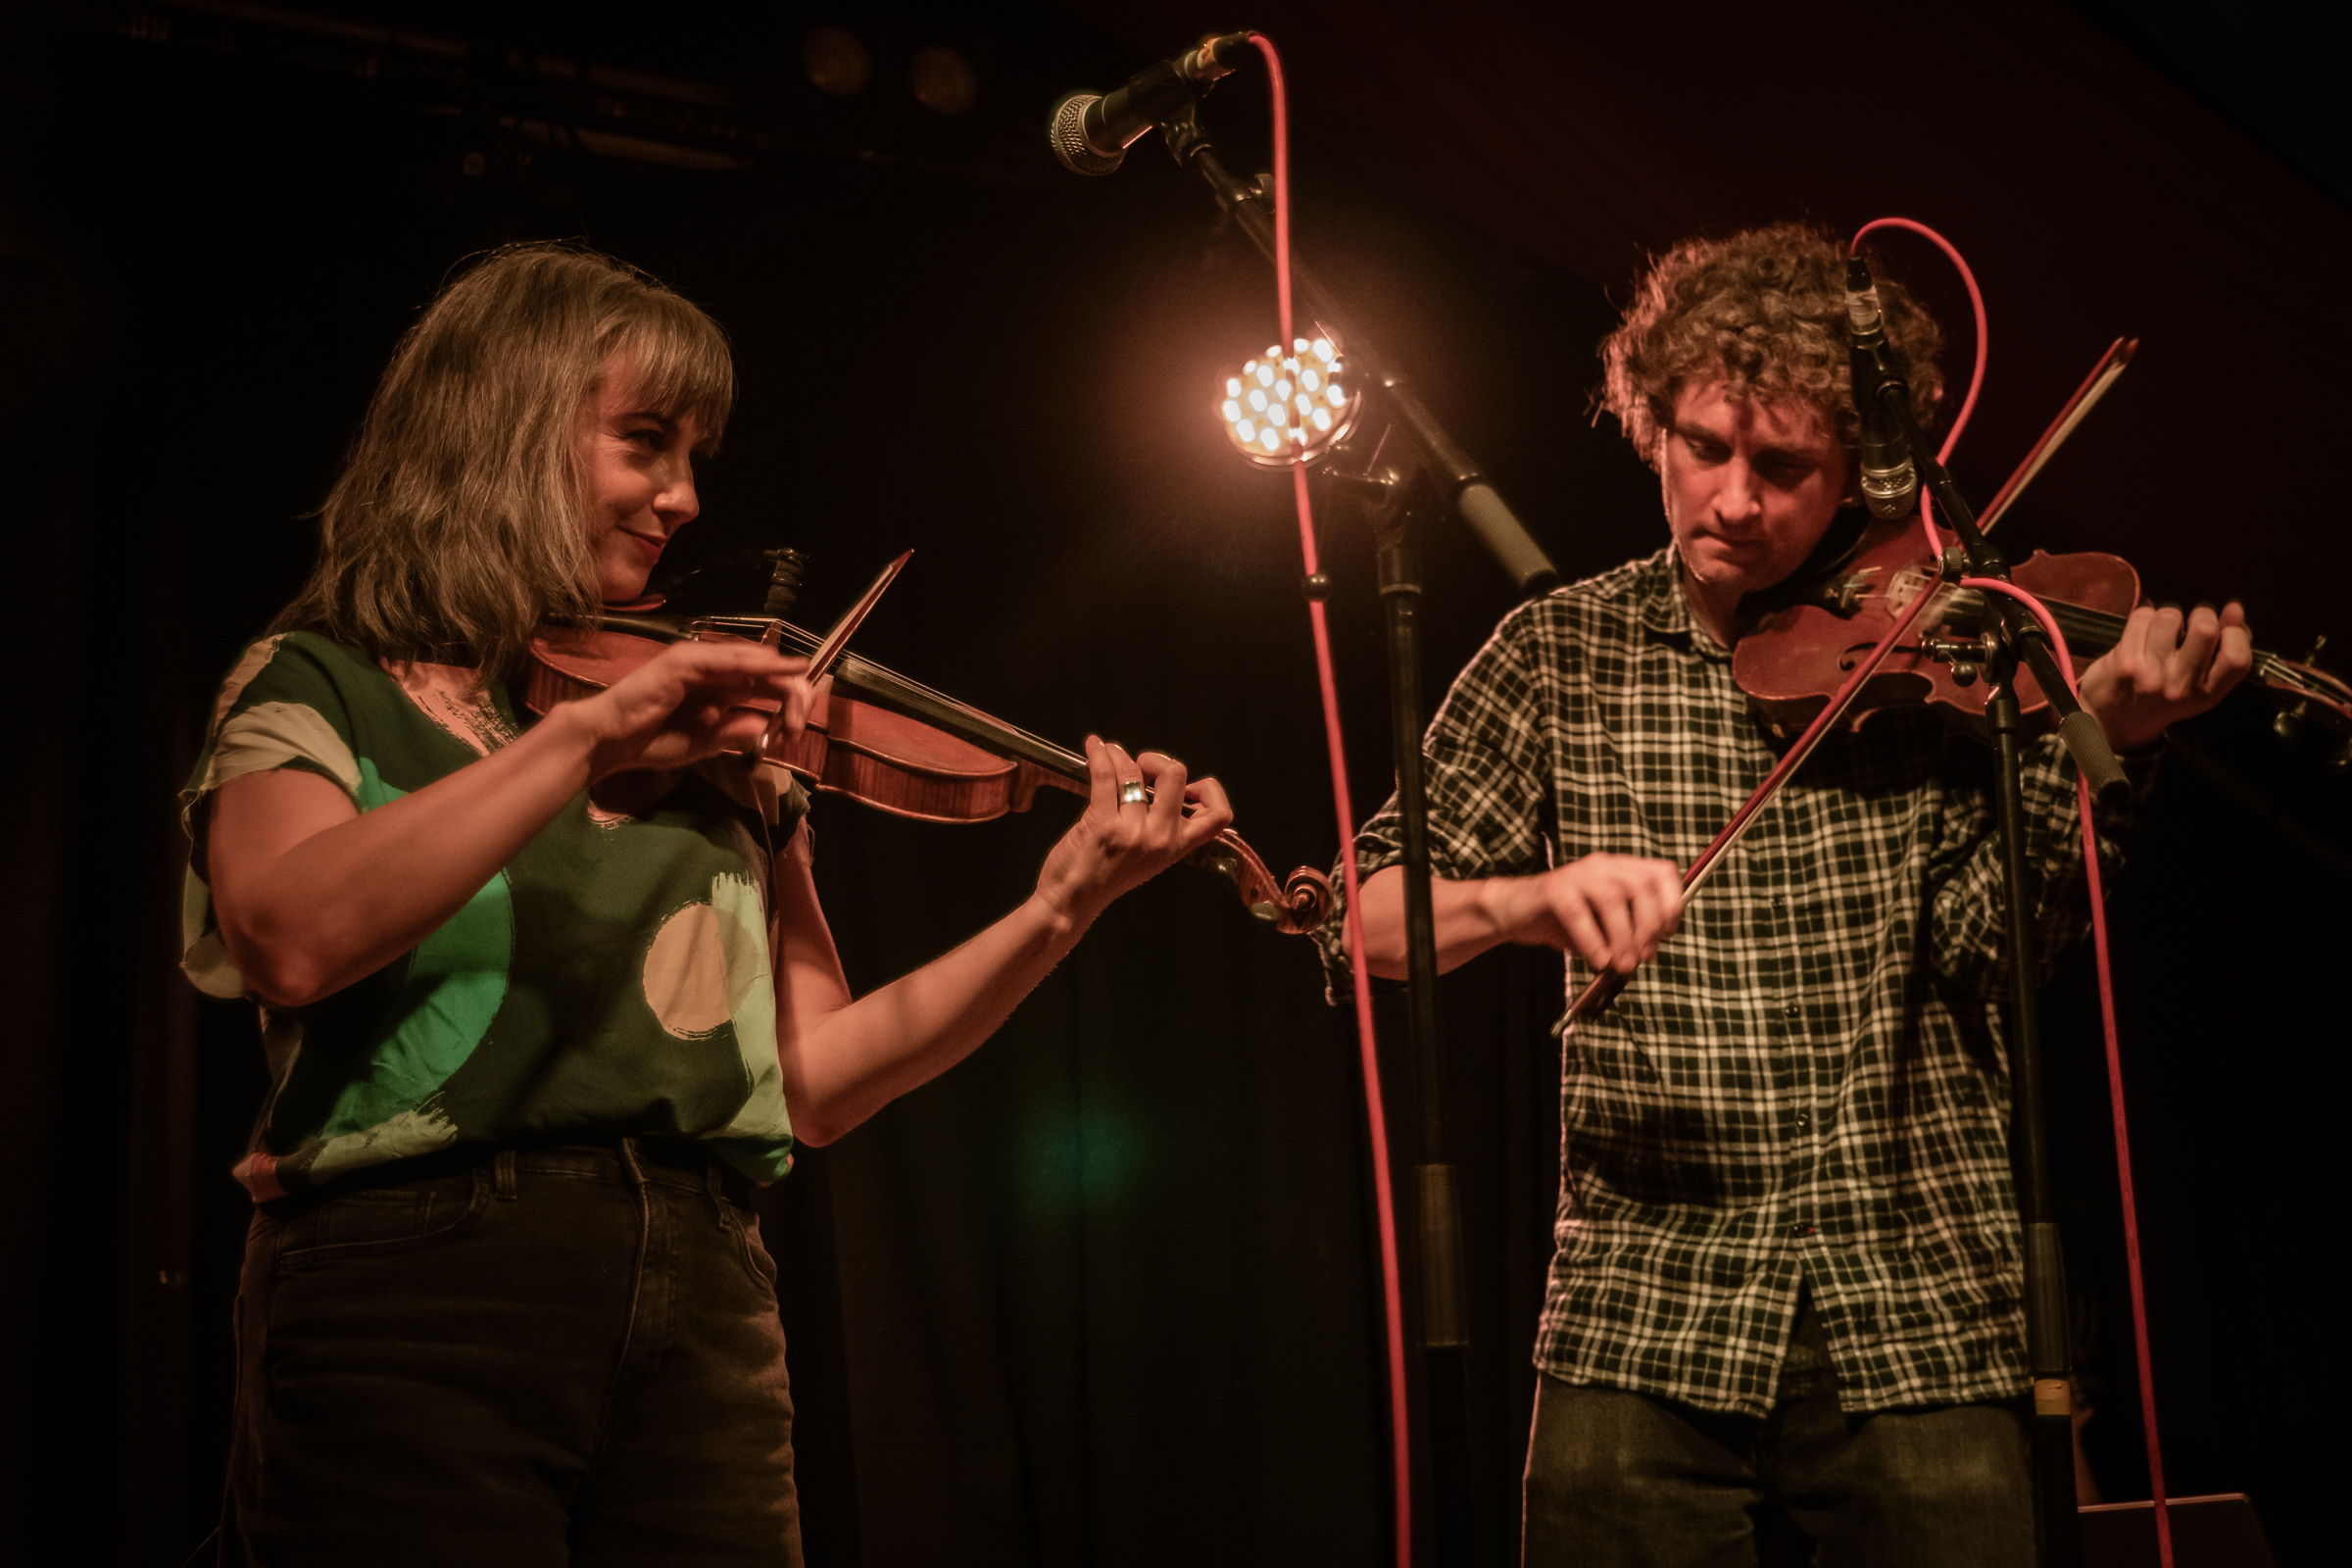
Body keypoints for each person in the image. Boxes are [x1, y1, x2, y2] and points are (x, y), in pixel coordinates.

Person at [180, 241, 1232, 1566]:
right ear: (501, 427)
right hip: (416, 1286)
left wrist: (1057, 911)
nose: (682, 498)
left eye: (694, 458)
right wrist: (589, 742)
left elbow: (813, 1085)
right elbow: (290, 936)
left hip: (705, 1295)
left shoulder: (723, 756)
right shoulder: (323, 681)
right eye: (643, 443)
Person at [1318, 222, 2251, 1565]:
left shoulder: (1957, 641)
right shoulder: (1557, 650)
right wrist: (1533, 900)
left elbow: (2002, 947)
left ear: (1862, 479)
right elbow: (1362, 928)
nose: (1739, 503)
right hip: (1643, 1318)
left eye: (1787, 468)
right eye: (1707, 448)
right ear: (1649, 423)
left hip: (1921, 1300)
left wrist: (2105, 750)